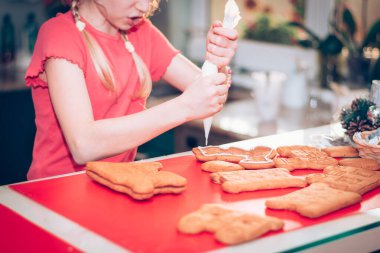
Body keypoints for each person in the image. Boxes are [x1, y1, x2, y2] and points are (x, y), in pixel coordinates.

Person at [25, 0, 238, 180]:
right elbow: (84, 145)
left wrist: (216, 63)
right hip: (58, 189)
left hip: (115, 183)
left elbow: (210, 97)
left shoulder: (141, 32)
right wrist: (184, 107)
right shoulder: (60, 34)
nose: (145, 6)